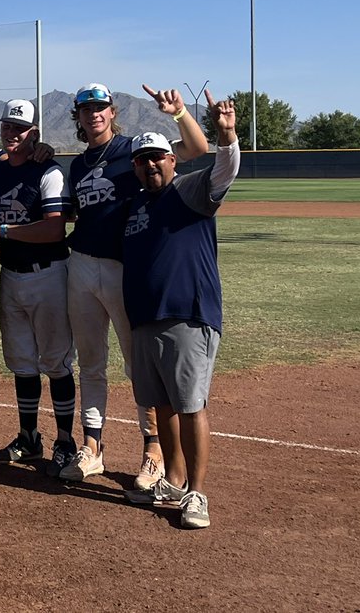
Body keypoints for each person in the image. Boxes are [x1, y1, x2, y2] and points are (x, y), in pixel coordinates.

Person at [60, 83, 211, 486]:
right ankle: (92, 447)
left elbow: (197, 150)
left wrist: (178, 113)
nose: (94, 113)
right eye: (86, 108)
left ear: (112, 112)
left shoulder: (136, 150)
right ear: (77, 116)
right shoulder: (76, 165)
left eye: (101, 107)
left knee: (138, 364)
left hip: (123, 268)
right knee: (90, 363)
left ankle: (154, 451)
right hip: (82, 266)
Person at [122, 90, 239, 529]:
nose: (150, 164)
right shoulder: (135, 204)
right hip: (145, 318)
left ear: (173, 161)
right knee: (162, 405)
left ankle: (197, 492)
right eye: (142, 159)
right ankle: (171, 480)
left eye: (158, 157)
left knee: (190, 405)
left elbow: (224, 170)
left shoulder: (189, 191)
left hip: (187, 314)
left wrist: (226, 138)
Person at [0, 100, 77, 475]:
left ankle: (65, 440)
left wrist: (1, 230)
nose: (12, 134)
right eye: (7, 127)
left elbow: (54, 228)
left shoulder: (48, 170)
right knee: (21, 362)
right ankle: (29, 437)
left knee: (56, 362)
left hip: (49, 274)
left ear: (34, 132)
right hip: (12, 274)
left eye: (20, 129)